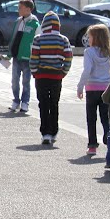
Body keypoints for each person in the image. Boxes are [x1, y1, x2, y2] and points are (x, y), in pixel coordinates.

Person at [29, 11, 73, 146]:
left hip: (41, 76)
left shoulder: (38, 39)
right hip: (56, 77)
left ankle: (45, 133)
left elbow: (34, 58)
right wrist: (63, 72)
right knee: (54, 104)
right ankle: (54, 131)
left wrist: (35, 72)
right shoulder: (63, 40)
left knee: (43, 104)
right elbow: (68, 58)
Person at [76, 24, 110, 154]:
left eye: (89, 36)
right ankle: (108, 139)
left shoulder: (89, 52)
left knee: (91, 117)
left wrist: (80, 86)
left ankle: (92, 145)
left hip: (92, 89)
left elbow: (87, 70)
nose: (88, 39)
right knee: (106, 117)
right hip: (107, 89)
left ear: (95, 38)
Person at [3, 0, 39, 113]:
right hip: (16, 56)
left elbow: (38, 41)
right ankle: (16, 100)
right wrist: (9, 54)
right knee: (14, 80)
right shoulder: (18, 21)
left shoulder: (35, 24)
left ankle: (25, 102)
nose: (18, 10)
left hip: (28, 58)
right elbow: (14, 38)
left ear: (28, 9)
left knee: (26, 81)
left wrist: (36, 56)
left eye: (20, 8)